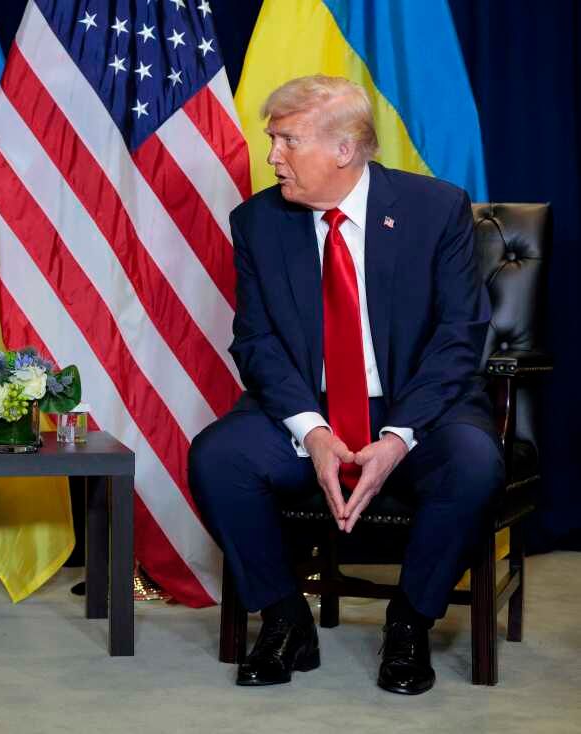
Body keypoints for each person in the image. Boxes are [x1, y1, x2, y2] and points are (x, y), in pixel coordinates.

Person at [188, 75, 503, 695]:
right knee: (218, 458)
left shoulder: (436, 209)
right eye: (272, 139)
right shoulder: (257, 222)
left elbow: (459, 337)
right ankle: (285, 620)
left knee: (473, 464)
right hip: (311, 408)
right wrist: (312, 431)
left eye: (288, 140)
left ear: (345, 148)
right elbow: (256, 342)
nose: (272, 156)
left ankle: (409, 623)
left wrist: (399, 435)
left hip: (419, 408)